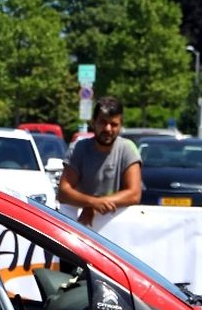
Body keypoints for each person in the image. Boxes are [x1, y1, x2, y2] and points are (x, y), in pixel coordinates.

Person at [57, 96, 142, 227]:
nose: (108, 129)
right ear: (93, 122)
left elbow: (134, 194)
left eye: (114, 124)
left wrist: (94, 205)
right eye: (103, 122)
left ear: (121, 126)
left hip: (116, 229)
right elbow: (63, 192)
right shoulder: (78, 149)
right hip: (79, 227)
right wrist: (91, 202)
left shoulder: (128, 149)